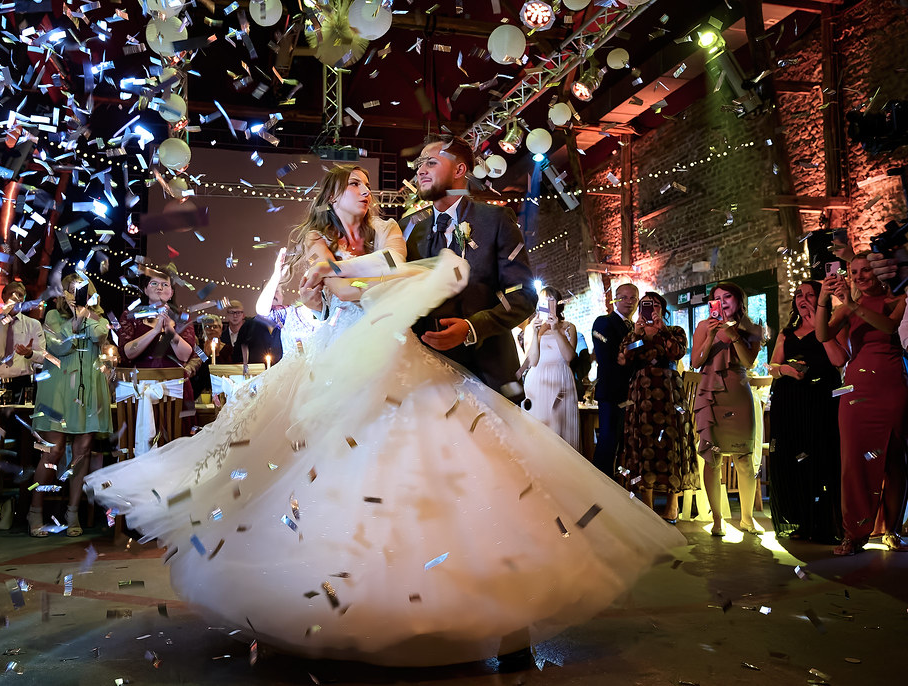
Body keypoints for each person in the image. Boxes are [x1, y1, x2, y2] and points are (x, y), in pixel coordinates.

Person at [84, 164, 684, 667]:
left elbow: (390, 268)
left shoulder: (392, 228)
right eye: (354, 183)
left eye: (368, 184)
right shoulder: (316, 238)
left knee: (442, 454)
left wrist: (366, 275)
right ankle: (337, 594)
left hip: (397, 352)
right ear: (333, 195)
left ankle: (484, 597)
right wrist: (361, 280)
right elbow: (345, 292)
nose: (366, 190)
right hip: (339, 358)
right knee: (324, 467)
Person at [400, 134, 538, 402]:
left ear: (459, 169)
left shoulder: (495, 219)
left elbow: (523, 295)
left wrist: (473, 328)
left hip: (487, 376)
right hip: (426, 379)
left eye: (431, 162)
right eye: (419, 165)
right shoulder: (411, 230)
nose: (421, 170)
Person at [816, 254, 908, 555]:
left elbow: (888, 327)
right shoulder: (847, 308)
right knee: (854, 462)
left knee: (894, 460)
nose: (859, 276)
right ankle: (853, 534)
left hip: (891, 386)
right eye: (854, 272)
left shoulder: (898, 301)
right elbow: (822, 334)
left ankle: (892, 530)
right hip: (856, 388)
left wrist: (852, 305)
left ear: (879, 270)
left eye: (865, 269)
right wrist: (823, 300)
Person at [28, 275, 112, 537]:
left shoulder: (99, 318)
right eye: (71, 290)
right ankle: (35, 510)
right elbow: (59, 347)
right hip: (58, 388)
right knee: (52, 451)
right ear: (63, 293)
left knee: (82, 452)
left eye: (82, 290)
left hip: (88, 389)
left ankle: (72, 512)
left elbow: (99, 334)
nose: (76, 294)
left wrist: (84, 313)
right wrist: (74, 323)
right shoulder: (53, 316)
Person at [767, 281, 846, 543]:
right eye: (799, 295)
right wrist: (785, 370)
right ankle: (799, 520)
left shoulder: (832, 326)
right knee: (793, 459)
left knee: (820, 456)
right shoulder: (787, 332)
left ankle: (823, 524)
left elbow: (839, 360)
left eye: (810, 294)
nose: (803, 299)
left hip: (820, 400)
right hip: (789, 401)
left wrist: (820, 327)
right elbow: (772, 366)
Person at [617, 292, 698, 522]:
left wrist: (662, 330)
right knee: (643, 444)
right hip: (641, 394)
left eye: (653, 305)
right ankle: (647, 505)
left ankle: (672, 505)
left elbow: (678, 352)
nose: (649, 309)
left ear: (662, 309)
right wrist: (637, 334)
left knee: (671, 443)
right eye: (645, 305)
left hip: (669, 392)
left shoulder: (674, 331)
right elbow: (624, 358)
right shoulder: (636, 335)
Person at [691, 282, 763, 536]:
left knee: (744, 458)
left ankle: (747, 519)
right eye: (717, 298)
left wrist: (733, 335)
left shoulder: (752, 328)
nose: (722, 302)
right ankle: (718, 519)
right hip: (711, 394)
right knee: (712, 458)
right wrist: (711, 335)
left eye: (727, 296)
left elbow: (749, 361)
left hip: (738, 394)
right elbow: (696, 361)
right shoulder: (703, 326)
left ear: (739, 300)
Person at [118, 269, 198, 432]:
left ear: (171, 292)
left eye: (165, 284)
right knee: (143, 435)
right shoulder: (131, 315)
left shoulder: (182, 317)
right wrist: (155, 331)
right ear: (145, 289)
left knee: (177, 435)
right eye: (154, 283)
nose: (159, 288)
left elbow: (184, 355)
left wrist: (169, 330)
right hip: (142, 386)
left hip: (175, 386)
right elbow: (128, 353)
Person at [522, 287, 579, 450]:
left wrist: (555, 331)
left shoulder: (569, 327)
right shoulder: (531, 328)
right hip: (538, 382)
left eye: (551, 300)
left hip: (561, 380)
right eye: (544, 301)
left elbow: (568, 357)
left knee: (562, 431)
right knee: (540, 431)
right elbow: (533, 361)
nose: (547, 304)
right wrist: (535, 333)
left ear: (558, 304)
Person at [591, 283, 638, 476]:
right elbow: (607, 354)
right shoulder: (604, 322)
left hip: (632, 392)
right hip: (612, 391)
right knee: (608, 440)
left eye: (633, 298)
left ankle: (620, 484)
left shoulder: (636, 327)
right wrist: (628, 356)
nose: (629, 302)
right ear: (615, 300)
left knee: (625, 442)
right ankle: (600, 483)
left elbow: (632, 353)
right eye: (624, 297)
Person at [0, 281, 45, 405]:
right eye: (12, 294)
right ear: (3, 296)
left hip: (21, 384)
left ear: (24, 299)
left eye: (20, 295)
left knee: (20, 417)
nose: (16, 298)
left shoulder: (33, 325)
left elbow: (43, 358)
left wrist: (30, 354)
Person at [222, 300, 274, 367]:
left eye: (238, 312)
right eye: (231, 312)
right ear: (227, 315)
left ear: (243, 315)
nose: (235, 316)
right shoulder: (221, 336)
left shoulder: (253, 334)